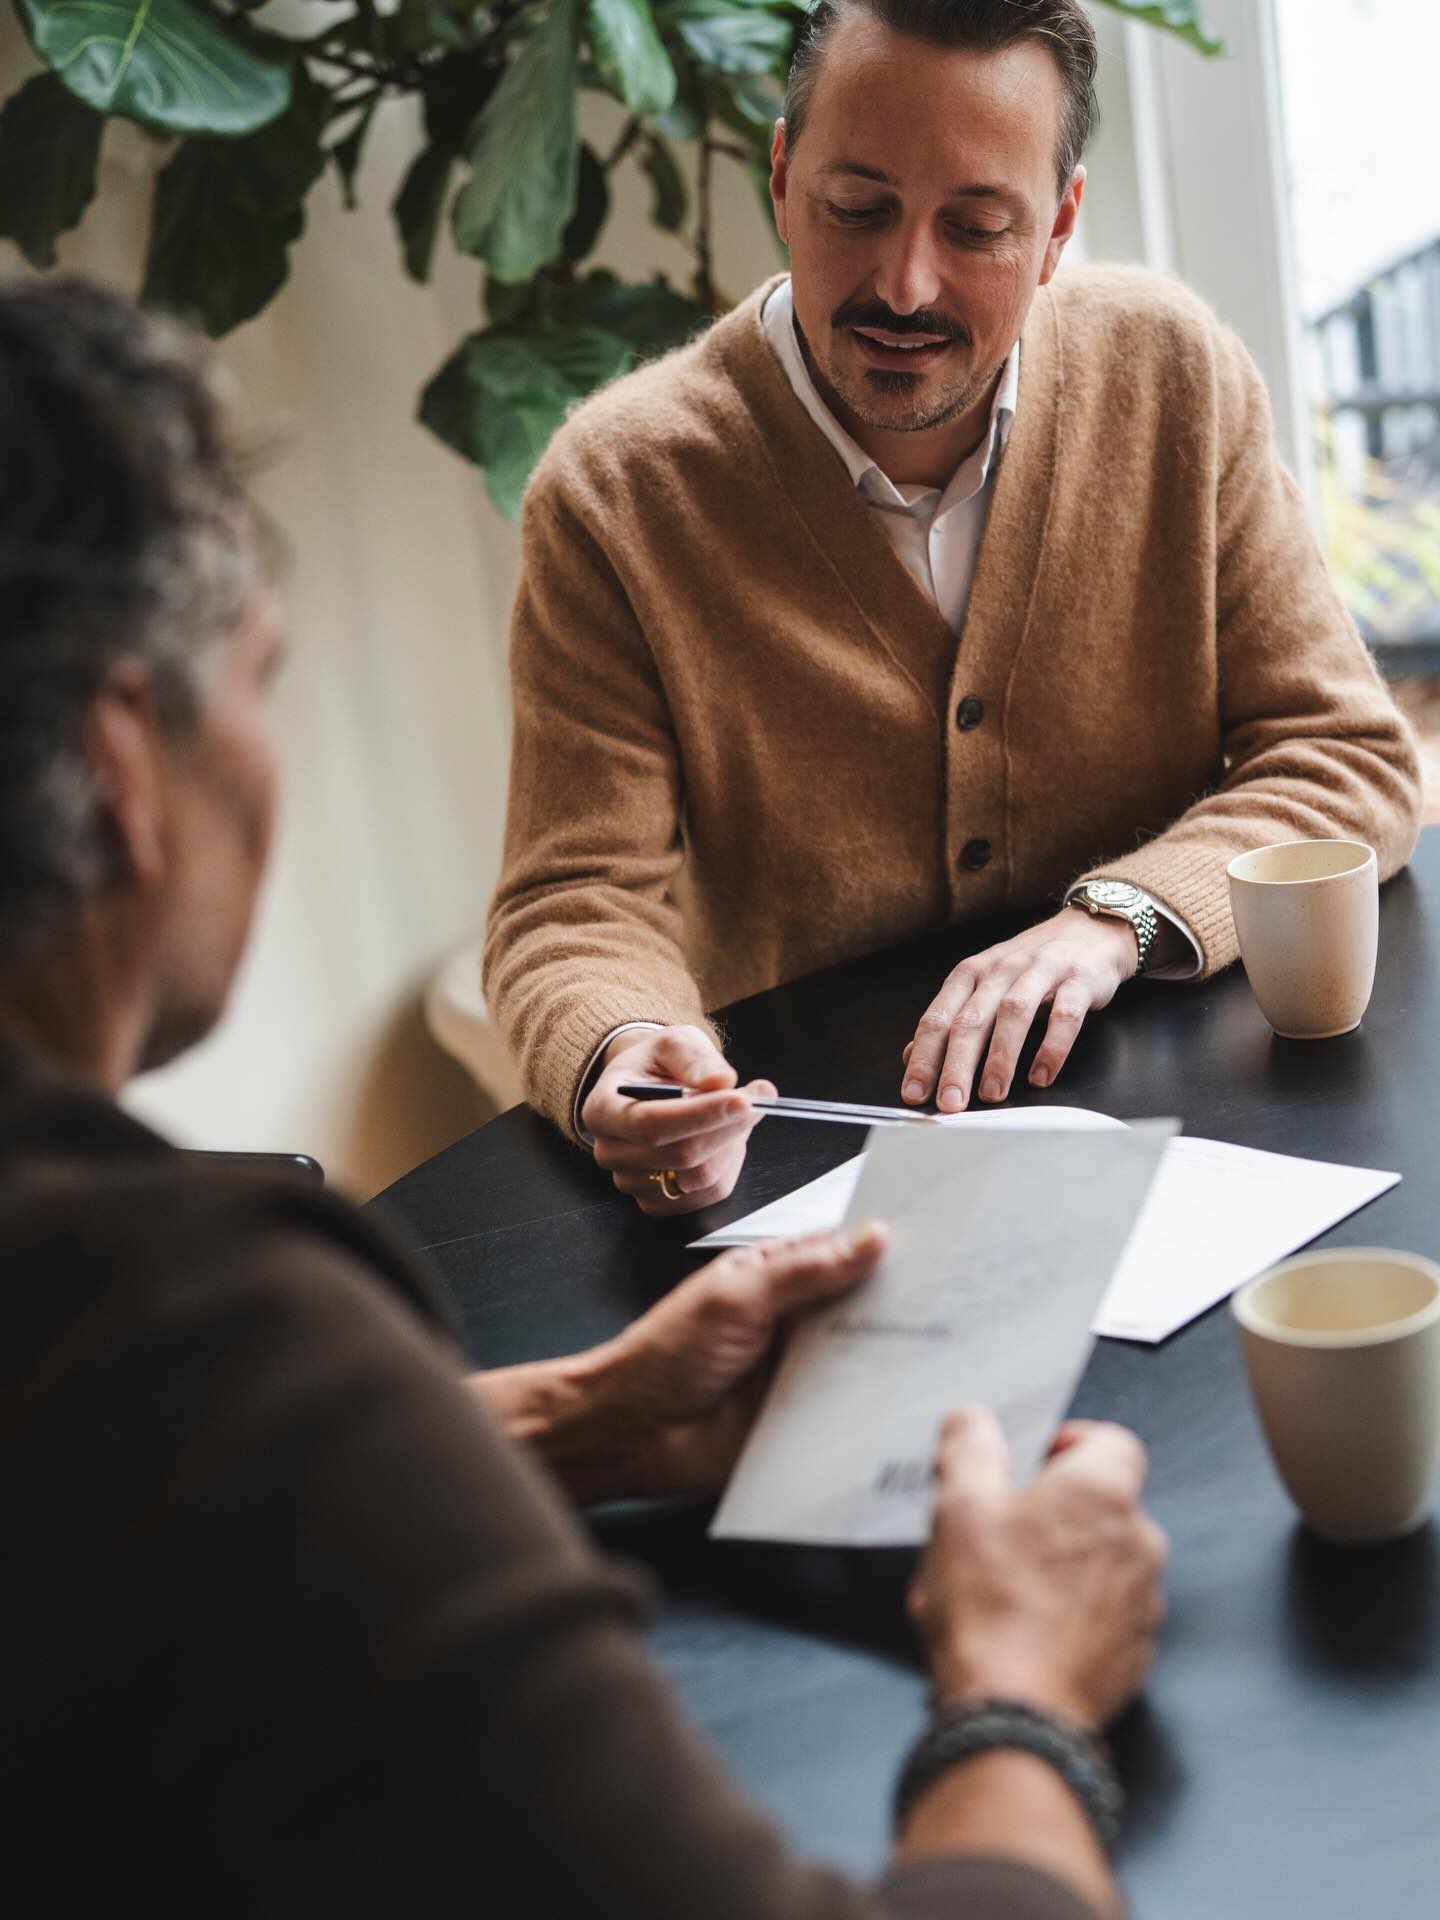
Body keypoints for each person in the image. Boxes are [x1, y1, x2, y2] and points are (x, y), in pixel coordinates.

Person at [0, 278, 1169, 1917]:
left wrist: (575, 1414)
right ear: (126, 770)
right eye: (257, 677)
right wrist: (1019, 1697)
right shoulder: (193, 1334)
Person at [483, 0, 1423, 1218]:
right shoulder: (618, 493)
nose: (904, 282)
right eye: (855, 208)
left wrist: (1114, 923)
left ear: (1057, 229)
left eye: (978, 226)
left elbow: (1345, 757)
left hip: (1216, 1139)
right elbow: (573, 904)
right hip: (823, 1176)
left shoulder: (1172, 377)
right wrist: (622, 1047)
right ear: (780, 175)